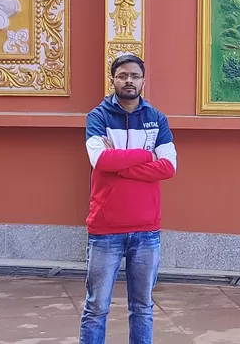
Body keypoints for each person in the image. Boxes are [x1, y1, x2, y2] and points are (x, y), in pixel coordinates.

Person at [81, 54, 177, 344]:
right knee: (96, 307)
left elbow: (169, 167)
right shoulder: (97, 117)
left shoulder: (156, 119)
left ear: (143, 81)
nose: (129, 81)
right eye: (122, 76)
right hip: (105, 230)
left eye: (135, 76)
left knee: (143, 307)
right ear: (113, 80)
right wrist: (147, 155)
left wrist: (119, 165)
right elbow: (99, 159)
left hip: (146, 230)